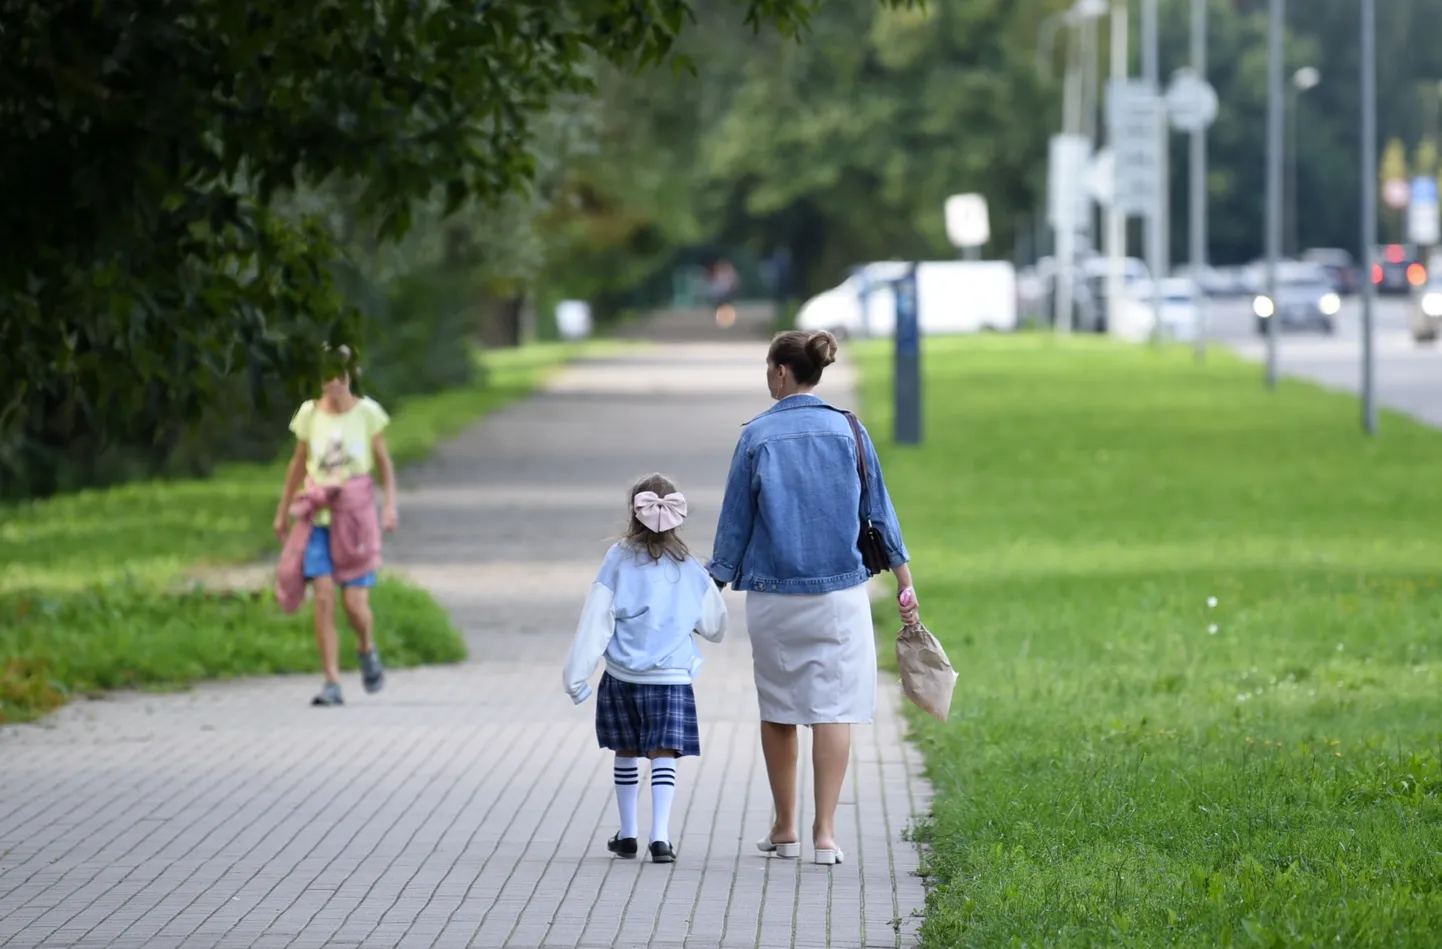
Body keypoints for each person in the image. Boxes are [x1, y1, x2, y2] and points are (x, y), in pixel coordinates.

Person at [707, 330, 918, 867]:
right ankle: (826, 835)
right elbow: (880, 509)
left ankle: (784, 827)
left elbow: (735, 523)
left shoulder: (756, 436)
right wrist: (902, 576)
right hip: (842, 594)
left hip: (774, 598)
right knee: (834, 710)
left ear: (781, 372)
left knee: (779, 711)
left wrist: (712, 583)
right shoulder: (849, 429)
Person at [562, 474, 728, 864]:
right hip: (671, 678)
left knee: (626, 749)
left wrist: (576, 676)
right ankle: (661, 837)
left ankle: (628, 833)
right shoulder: (689, 566)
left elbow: (596, 619)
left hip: (623, 675)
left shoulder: (617, 558)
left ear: (633, 513)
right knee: (663, 752)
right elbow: (715, 626)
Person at [274, 347, 398, 707]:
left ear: (351, 373)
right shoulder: (309, 415)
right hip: (318, 519)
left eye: (339, 372)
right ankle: (331, 681)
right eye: (326, 372)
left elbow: (383, 464)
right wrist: (283, 510)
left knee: (355, 606)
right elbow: (298, 464)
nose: (333, 380)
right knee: (324, 597)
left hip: (355, 519)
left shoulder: (367, 413)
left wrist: (389, 505)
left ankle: (365, 646)